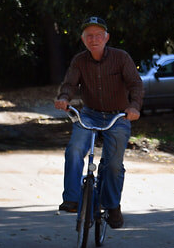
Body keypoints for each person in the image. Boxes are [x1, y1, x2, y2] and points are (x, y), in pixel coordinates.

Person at [54, 16, 143, 229]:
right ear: (83, 40)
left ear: (106, 38)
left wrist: (134, 107)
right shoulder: (79, 60)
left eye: (98, 35)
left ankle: (112, 206)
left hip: (118, 117)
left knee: (113, 165)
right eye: (89, 36)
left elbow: (136, 85)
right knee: (75, 149)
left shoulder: (121, 58)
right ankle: (73, 199)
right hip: (90, 114)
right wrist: (64, 98)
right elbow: (69, 84)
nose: (94, 39)